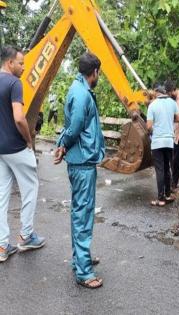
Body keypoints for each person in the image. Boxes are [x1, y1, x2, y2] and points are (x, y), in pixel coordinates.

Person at [54, 52, 105, 289]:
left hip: (80, 161)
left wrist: (62, 147)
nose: (99, 77)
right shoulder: (82, 94)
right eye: (99, 73)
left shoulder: (77, 89)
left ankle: (80, 259)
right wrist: (63, 145)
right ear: (94, 72)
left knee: (79, 212)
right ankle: (84, 271)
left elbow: (71, 128)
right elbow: (73, 128)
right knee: (83, 215)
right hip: (82, 163)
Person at [0, 46, 46, 262]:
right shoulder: (14, 83)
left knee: (2, 196)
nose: (23, 67)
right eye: (21, 63)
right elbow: (19, 118)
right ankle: (26, 236)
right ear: (10, 63)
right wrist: (29, 139)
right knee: (30, 189)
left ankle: (1, 246)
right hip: (16, 148)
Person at [147, 83, 179, 206]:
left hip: (157, 141)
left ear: (156, 92)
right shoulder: (172, 103)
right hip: (169, 141)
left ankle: (160, 198)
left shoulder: (152, 105)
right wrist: (168, 120)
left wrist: (153, 129)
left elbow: (149, 126)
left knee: (160, 170)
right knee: (167, 168)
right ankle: (168, 195)